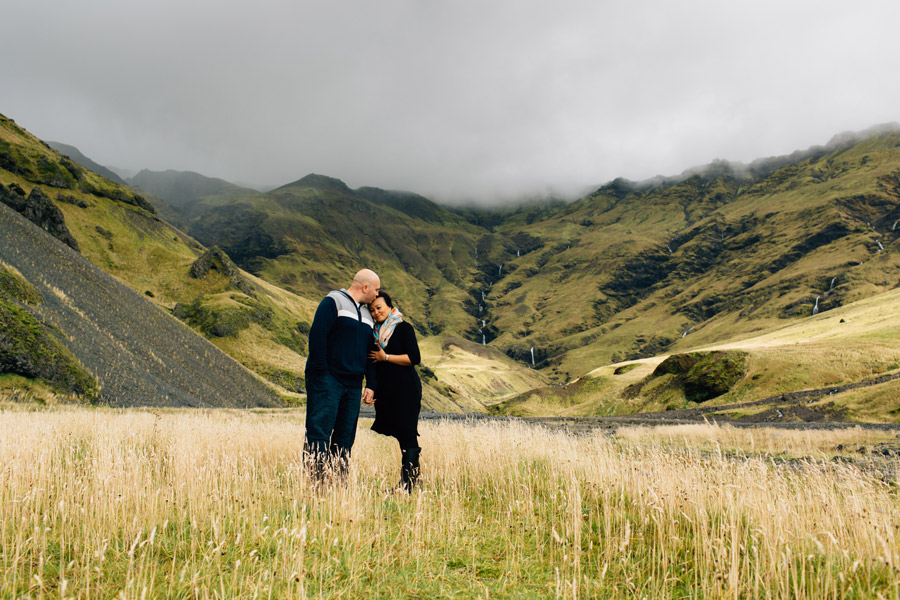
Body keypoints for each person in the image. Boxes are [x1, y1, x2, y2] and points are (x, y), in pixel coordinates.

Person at [304, 268, 380, 482]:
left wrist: (371, 383)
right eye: (376, 289)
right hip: (328, 380)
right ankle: (315, 484)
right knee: (319, 432)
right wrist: (321, 373)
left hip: (353, 385)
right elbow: (317, 337)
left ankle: (337, 484)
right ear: (365, 287)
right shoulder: (333, 302)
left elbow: (370, 351)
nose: (377, 294)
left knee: (345, 437)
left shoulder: (367, 315)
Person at [366, 291, 423, 492]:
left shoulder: (403, 328)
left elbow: (414, 358)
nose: (376, 313)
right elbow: (371, 363)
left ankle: (409, 484)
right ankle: (410, 482)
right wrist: (371, 387)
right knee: (400, 433)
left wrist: (386, 357)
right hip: (388, 391)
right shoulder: (375, 333)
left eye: (379, 308)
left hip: (406, 389)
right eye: (372, 310)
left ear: (390, 307)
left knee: (407, 432)